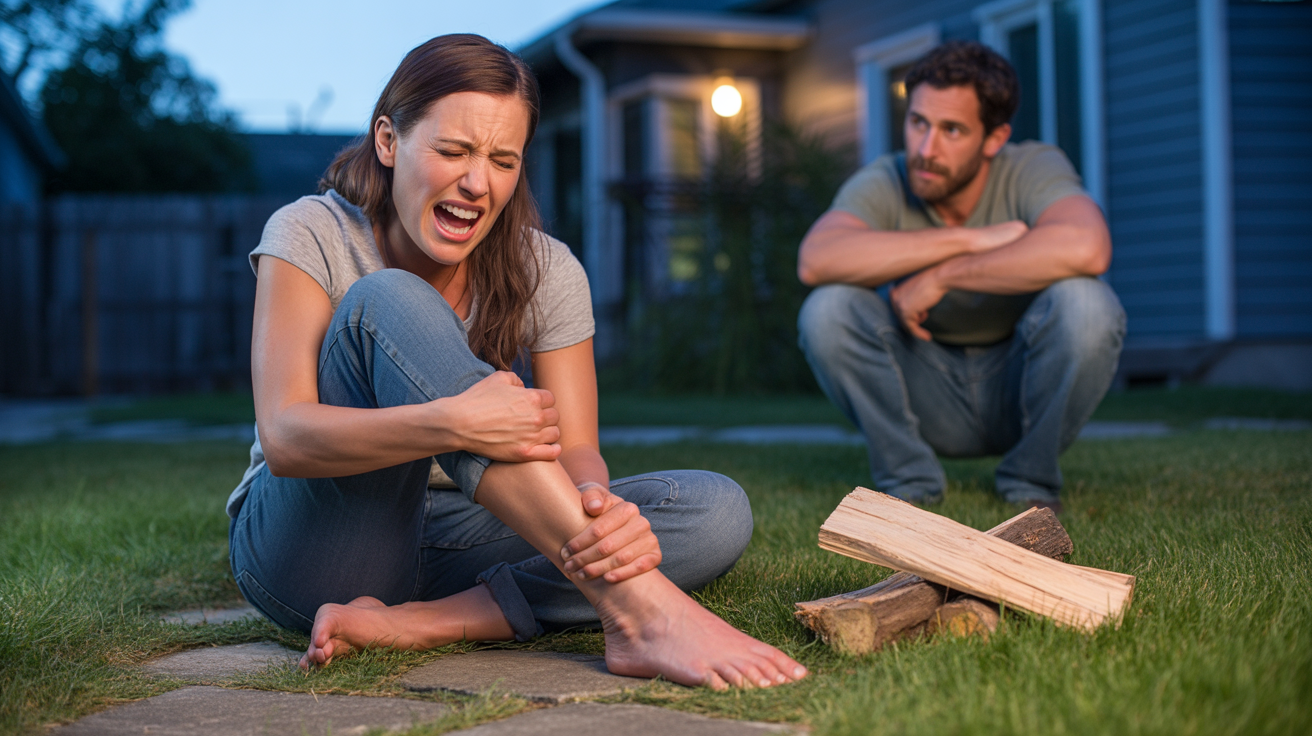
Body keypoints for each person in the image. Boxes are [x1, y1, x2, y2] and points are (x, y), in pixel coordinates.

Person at [226, 34, 806, 691]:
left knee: (712, 510)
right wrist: (454, 423)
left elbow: (581, 452)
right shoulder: (312, 231)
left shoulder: (548, 269)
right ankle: (642, 612)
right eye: (453, 152)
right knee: (388, 298)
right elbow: (286, 438)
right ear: (388, 142)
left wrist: (596, 509)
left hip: (465, 539)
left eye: (504, 160)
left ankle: (420, 623)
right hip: (322, 543)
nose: (477, 183)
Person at [795, 41, 1125, 510]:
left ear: (994, 139)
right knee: (827, 309)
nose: (926, 149)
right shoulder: (887, 179)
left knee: (1088, 303)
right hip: (924, 386)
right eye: (918, 123)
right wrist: (966, 240)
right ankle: (908, 481)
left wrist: (944, 277)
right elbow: (817, 258)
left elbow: (1088, 246)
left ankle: (1031, 482)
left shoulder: (1031, 166)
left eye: (952, 130)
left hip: (1018, 385)